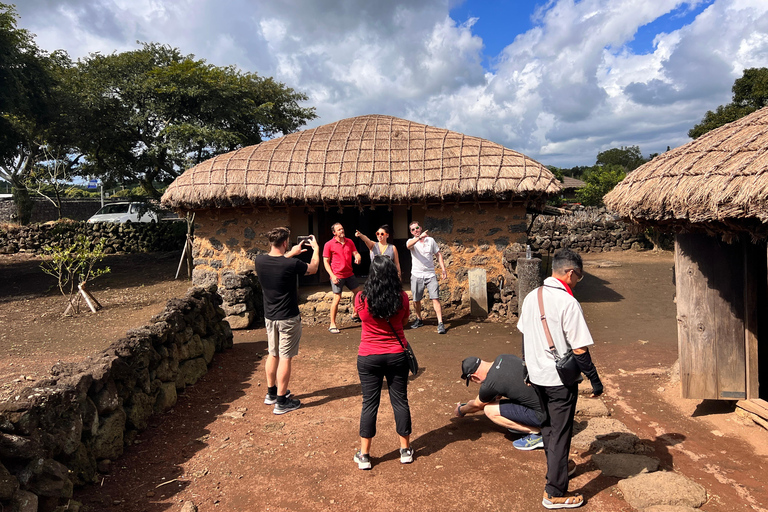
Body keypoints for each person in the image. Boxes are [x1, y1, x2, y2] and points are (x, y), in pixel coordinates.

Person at [517, 248, 604, 510]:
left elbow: (524, 334)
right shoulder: (568, 302)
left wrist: (527, 368)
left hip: (536, 376)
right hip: (559, 381)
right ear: (570, 273)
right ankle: (554, 492)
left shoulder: (532, 296)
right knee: (561, 434)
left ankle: (559, 469)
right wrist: (595, 380)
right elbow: (579, 349)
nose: (578, 281)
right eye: (579, 276)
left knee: (547, 428)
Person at [352, 255, 413, 470]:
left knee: (369, 403)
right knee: (400, 401)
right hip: (397, 354)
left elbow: (361, 319)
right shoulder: (402, 297)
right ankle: (405, 450)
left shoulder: (360, 298)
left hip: (369, 356)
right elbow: (404, 322)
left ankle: (365, 455)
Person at [253, 228, 320, 415]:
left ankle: (271, 393)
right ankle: (282, 402)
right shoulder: (292, 265)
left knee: (272, 354)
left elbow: (277, 261)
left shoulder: (260, 260)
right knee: (285, 357)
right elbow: (313, 268)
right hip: (288, 318)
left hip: (270, 316)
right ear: (285, 243)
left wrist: (292, 253)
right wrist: (316, 249)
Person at [454, 355, 546, 450]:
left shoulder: (490, 384)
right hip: (553, 405)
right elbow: (496, 395)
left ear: (474, 377)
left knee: (489, 410)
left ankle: (538, 433)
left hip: (544, 416)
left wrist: (461, 410)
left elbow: (477, 406)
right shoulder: (503, 357)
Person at [406, 221, 447, 334]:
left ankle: (440, 323)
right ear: (411, 232)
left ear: (421, 227)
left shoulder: (431, 241)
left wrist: (443, 269)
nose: (416, 230)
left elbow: (438, 254)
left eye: (417, 228)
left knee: (435, 298)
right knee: (416, 300)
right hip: (417, 274)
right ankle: (419, 319)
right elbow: (408, 246)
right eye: (413, 229)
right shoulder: (411, 241)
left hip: (430, 274)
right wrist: (419, 238)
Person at [322, 222, 362, 333]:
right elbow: (325, 262)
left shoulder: (350, 242)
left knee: (358, 293)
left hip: (349, 273)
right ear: (334, 232)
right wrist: (332, 275)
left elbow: (356, 253)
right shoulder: (329, 244)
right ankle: (332, 324)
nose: (342, 231)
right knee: (337, 298)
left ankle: (355, 314)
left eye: (342, 228)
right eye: (339, 229)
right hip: (337, 275)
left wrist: (358, 258)